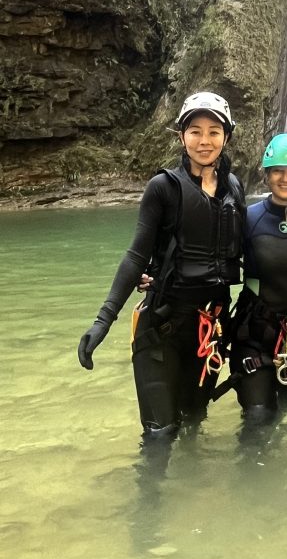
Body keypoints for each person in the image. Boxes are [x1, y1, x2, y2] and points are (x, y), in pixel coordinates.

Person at [78, 91, 245, 439]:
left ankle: (190, 493)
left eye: (214, 131)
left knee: (195, 419)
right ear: (181, 135)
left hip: (209, 329)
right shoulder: (162, 188)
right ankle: (149, 494)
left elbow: (248, 254)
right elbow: (136, 255)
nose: (204, 140)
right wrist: (103, 320)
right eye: (195, 130)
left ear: (226, 136)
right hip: (163, 325)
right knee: (160, 434)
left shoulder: (234, 189)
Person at [225, 133, 287, 427]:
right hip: (254, 333)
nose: (285, 178)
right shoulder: (247, 217)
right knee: (257, 417)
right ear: (266, 174)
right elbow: (213, 260)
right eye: (278, 170)